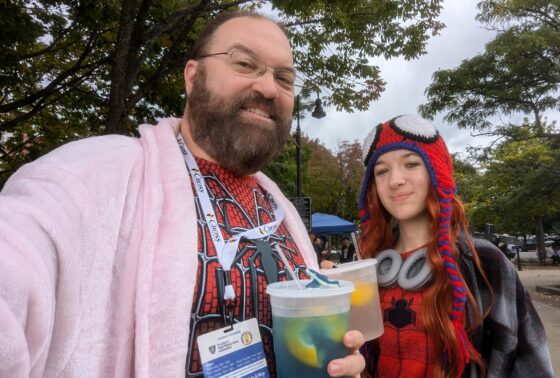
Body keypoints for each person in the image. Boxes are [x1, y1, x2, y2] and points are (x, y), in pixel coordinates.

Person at [0, 12, 365, 377]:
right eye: (245, 64)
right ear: (193, 76)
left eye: (284, 78)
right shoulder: (91, 176)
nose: (269, 88)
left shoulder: (278, 208)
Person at [357, 115, 553, 377]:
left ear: (437, 173)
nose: (395, 181)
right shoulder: (370, 265)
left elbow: (530, 361)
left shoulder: (483, 260)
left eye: (411, 164)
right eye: (381, 171)